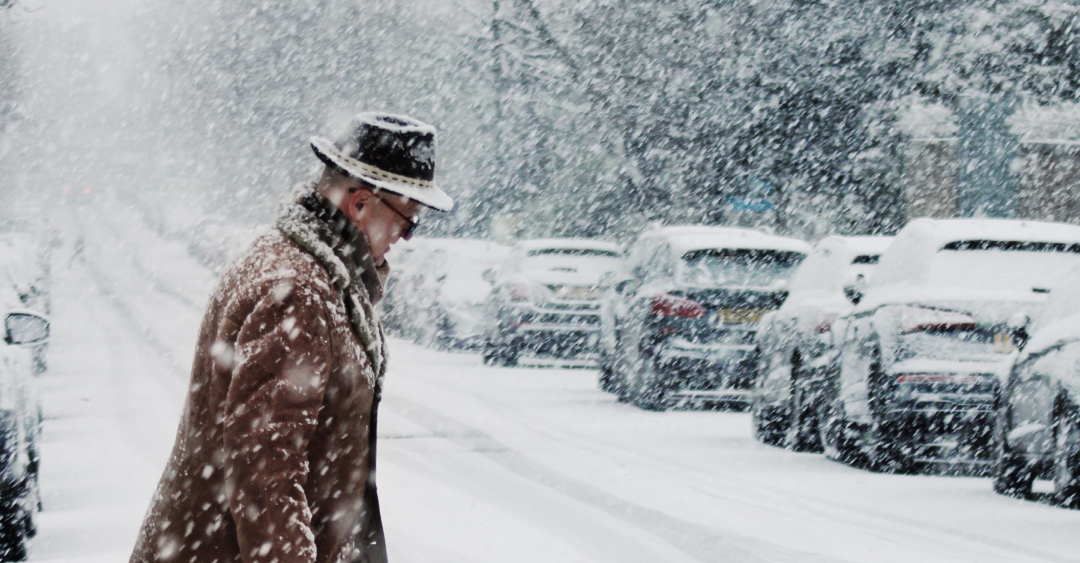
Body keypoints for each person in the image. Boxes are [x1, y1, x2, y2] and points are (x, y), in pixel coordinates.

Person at [129, 113, 453, 563]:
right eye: (408, 221)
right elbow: (266, 473)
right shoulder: (299, 292)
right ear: (360, 205)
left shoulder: (300, 267)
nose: (407, 238)